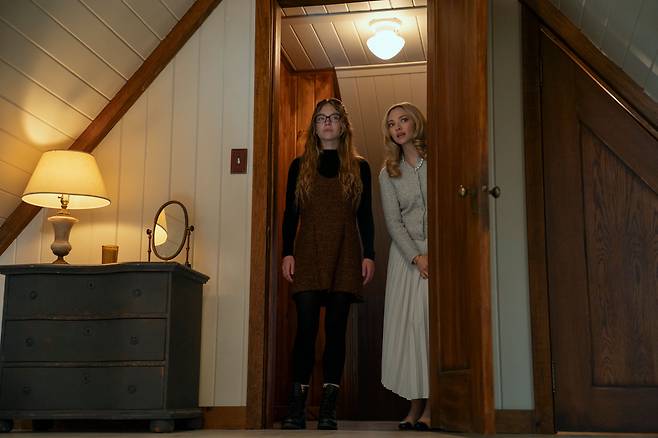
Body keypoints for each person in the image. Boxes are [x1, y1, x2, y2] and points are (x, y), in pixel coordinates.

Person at [280, 98, 375, 430]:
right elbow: (290, 215)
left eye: (334, 118)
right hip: (308, 251)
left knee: (336, 331)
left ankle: (328, 409)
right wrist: (287, 253)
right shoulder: (299, 165)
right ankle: (296, 408)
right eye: (321, 118)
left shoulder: (360, 167)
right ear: (314, 126)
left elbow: (366, 215)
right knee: (306, 330)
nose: (328, 123)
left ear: (344, 125)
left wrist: (369, 254)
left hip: (346, 253)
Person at [378, 102, 430, 431]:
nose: (397, 127)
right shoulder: (388, 172)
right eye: (391, 123)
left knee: (429, 327)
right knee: (410, 332)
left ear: (416, 123)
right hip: (407, 259)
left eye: (403, 120)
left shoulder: (437, 161)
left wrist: (434, 254)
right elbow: (393, 223)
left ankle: (435, 405)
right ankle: (415, 407)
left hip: (438, 255)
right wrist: (417, 257)